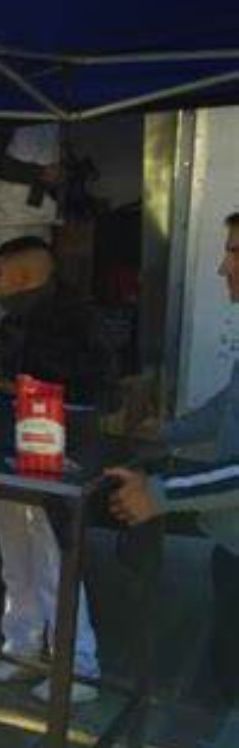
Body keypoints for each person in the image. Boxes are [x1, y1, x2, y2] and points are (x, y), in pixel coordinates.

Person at [107, 212, 239, 706]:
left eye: (234, 252)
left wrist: (159, 495)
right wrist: (164, 432)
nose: (223, 268)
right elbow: (227, 407)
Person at [0, 235, 115, 704]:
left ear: (21, 274)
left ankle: (79, 667)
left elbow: (97, 386)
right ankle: (20, 646)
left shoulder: (77, 319)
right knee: (14, 556)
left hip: (59, 456)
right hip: (8, 451)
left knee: (55, 561)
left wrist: (30, 385)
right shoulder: (11, 320)